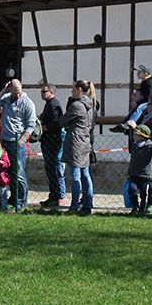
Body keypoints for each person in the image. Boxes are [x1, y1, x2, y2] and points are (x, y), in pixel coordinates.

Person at [0, 79, 35, 210]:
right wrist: (4, 90)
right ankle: (10, 200)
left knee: (19, 173)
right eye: (14, 92)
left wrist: (22, 139)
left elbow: (31, 125)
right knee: (5, 172)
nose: (17, 95)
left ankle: (21, 203)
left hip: (17, 141)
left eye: (18, 92)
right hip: (4, 141)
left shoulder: (27, 103)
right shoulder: (7, 98)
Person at [59, 80, 96, 215]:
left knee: (75, 176)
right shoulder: (92, 105)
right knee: (86, 175)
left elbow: (63, 121)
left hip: (75, 142)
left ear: (80, 89)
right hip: (86, 141)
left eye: (73, 89)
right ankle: (88, 203)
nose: (71, 92)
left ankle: (74, 205)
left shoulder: (77, 106)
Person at [110, 65, 152, 133]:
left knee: (139, 108)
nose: (137, 74)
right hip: (146, 101)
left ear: (145, 73)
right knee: (133, 110)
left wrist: (138, 102)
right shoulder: (145, 81)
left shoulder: (150, 82)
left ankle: (131, 122)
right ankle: (123, 124)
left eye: (139, 72)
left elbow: (150, 96)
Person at [39, 83, 65, 208]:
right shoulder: (49, 104)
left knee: (54, 169)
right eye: (42, 91)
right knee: (50, 169)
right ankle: (53, 195)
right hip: (48, 140)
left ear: (52, 92)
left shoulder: (54, 104)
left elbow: (56, 123)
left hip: (52, 140)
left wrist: (43, 128)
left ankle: (56, 196)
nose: (42, 93)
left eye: (45, 91)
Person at [127, 124, 152, 215]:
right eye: (134, 134)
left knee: (144, 193)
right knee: (132, 189)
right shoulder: (134, 145)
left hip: (145, 175)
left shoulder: (149, 146)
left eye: (136, 135)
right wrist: (131, 129)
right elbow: (130, 140)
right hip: (134, 174)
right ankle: (135, 206)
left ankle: (142, 209)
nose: (134, 136)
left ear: (143, 136)